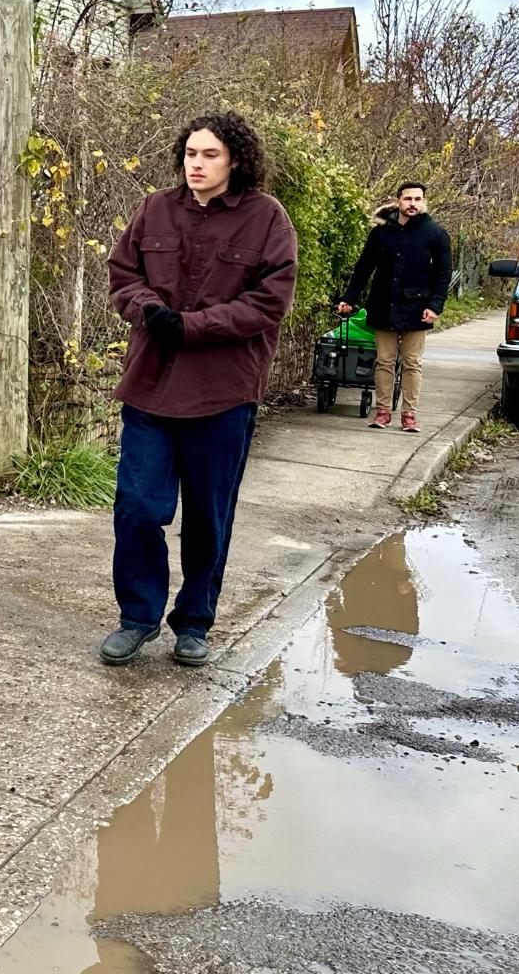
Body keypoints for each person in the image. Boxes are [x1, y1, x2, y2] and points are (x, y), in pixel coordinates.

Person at [101, 112, 298, 668]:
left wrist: (193, 326)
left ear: (235, 159)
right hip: (151, 385)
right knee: (138, 507)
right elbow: (123, 274)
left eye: (210, 154)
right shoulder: (155, 209)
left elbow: (268, 303)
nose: (197, 164)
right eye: (191, 153)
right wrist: (146, 309)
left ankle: (194, 622)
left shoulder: (267, 219)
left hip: (222, 392)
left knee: (209, 515)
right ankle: (137, 617)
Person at [338, 182, 452, 433]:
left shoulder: (435, 234)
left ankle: (409, 414)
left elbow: (443, 275)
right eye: (408, 198)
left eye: (418, 199)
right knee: (384, 361)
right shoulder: (381, 233)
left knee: (412, 362)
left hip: (418, 308)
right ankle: (382, 412)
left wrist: (435, 306)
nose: (413, 203)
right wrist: (350, 298)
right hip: (383, 305)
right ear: (398, 201)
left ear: (423, 202)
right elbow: (363, 267)